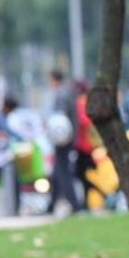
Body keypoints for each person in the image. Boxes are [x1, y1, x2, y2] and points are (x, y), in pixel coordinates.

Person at [45, 69, 83, 215]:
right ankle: (51, 206)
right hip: (68, 138)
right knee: (57, 171)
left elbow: (60, 120)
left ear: (53, 79)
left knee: (62, 172)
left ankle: (74, 204)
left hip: (63, 139)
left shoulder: (61, 94)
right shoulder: (68, 92)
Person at [72, 79, 106, 209]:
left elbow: (84, 121)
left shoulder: (81, 102)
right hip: (87, 145)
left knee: (80, 175)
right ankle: (86, 203)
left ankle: (102, 194)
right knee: (83, 175)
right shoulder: (88, 100)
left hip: (83, 145)